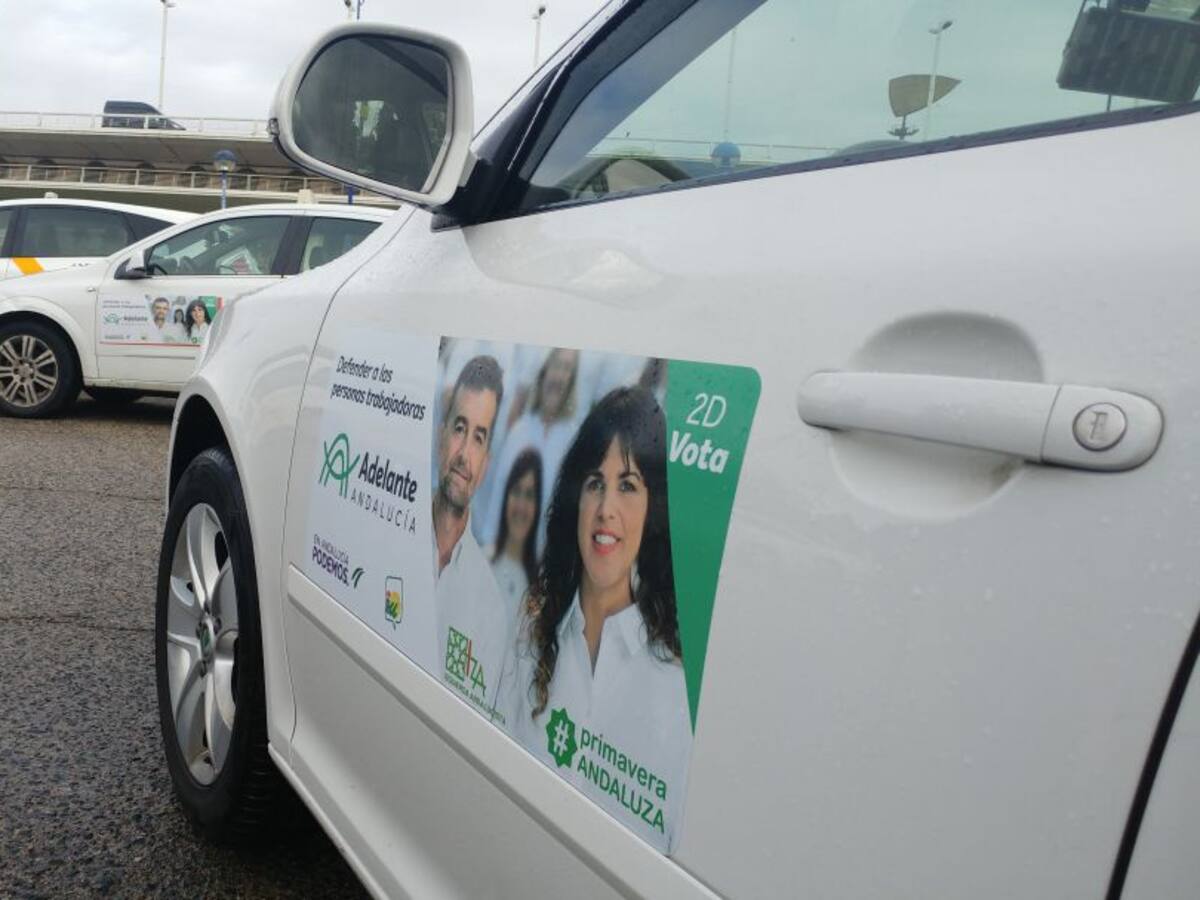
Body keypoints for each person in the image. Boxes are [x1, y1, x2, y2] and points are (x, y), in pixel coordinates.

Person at [499, 387, 691, 853]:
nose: (606, 509)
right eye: (594, 483)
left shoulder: (676, 687)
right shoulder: (530, 634)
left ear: (653, 509)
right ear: (576, 501)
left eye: (628, 485)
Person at [432, 355, 513, 725]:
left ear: (486, 463)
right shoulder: (394, 529)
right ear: (441, 436)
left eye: (478, 438)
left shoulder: (491, 610)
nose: (464, 454)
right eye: (460, 428)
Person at [478, 347, 580, 554]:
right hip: (506, 553)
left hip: (546, 557)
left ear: (572, 381)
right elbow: (500, 492)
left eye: (567, 369)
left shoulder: (573, 439)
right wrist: (489, 546)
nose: (558, 377)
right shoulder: (520, 429)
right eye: (556, 366)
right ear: (544, 373)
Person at [487, 448, 543, 619]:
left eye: (529, 495)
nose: (521, 506)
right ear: (506, 497)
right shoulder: (482, 561)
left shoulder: (540, 587)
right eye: (517, 491)